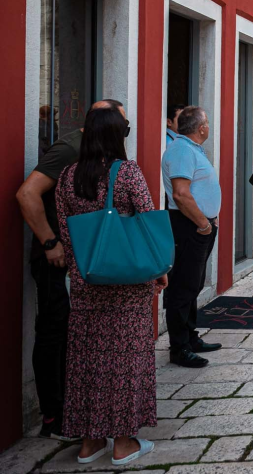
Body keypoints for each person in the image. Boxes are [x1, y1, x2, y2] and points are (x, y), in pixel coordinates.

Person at [56, 106, 164, 466]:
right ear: (117, 136)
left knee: (87, 362)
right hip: (127, 284)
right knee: (125, 360)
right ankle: (123, 443)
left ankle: (89, 443)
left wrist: (79, 271)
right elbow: (147, 220)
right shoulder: (127, 172)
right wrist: (159, 269)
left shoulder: (67, 176)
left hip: (86, 282)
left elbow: (66, 232)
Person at [16, 99, 123, 441]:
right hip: (56, 260)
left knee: (74, 335)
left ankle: (77, 412)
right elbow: (27, 193)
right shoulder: (70, 149)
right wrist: (51, 243)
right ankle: (54, 418)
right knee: (54, 331)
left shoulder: (97, 152)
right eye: (122, 125)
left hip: (82, 260)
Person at [161, 106, 224, 368]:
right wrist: (202, 223)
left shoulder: (191, 149)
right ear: (200, 128)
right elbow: (180, 194)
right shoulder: (181, 150)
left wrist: (211, 217)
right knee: (182, 287)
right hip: (188, 226)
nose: (208, 126)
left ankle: (191, 336)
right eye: (207, 122)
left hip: (200, 224)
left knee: (194, 284)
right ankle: (179, 348)